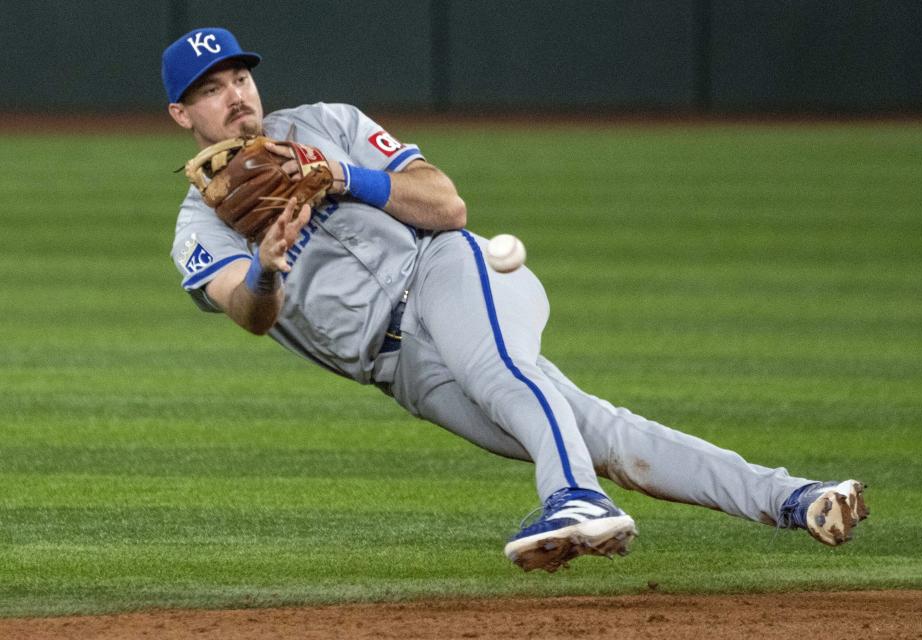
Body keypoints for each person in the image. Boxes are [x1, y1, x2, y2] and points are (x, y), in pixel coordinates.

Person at [162, 28, 869, 573]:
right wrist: (265, 270)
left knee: (505, 374)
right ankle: (798, 498)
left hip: (450, 273)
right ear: (181, 113)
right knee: (603, 435)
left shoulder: (330, 123)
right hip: (402, 367)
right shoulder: (199, 227)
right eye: (212, 89)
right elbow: (249, 314)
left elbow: (447, 205)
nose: (238, 95)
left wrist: (344, 175)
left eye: (241, 77)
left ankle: (574, 499)